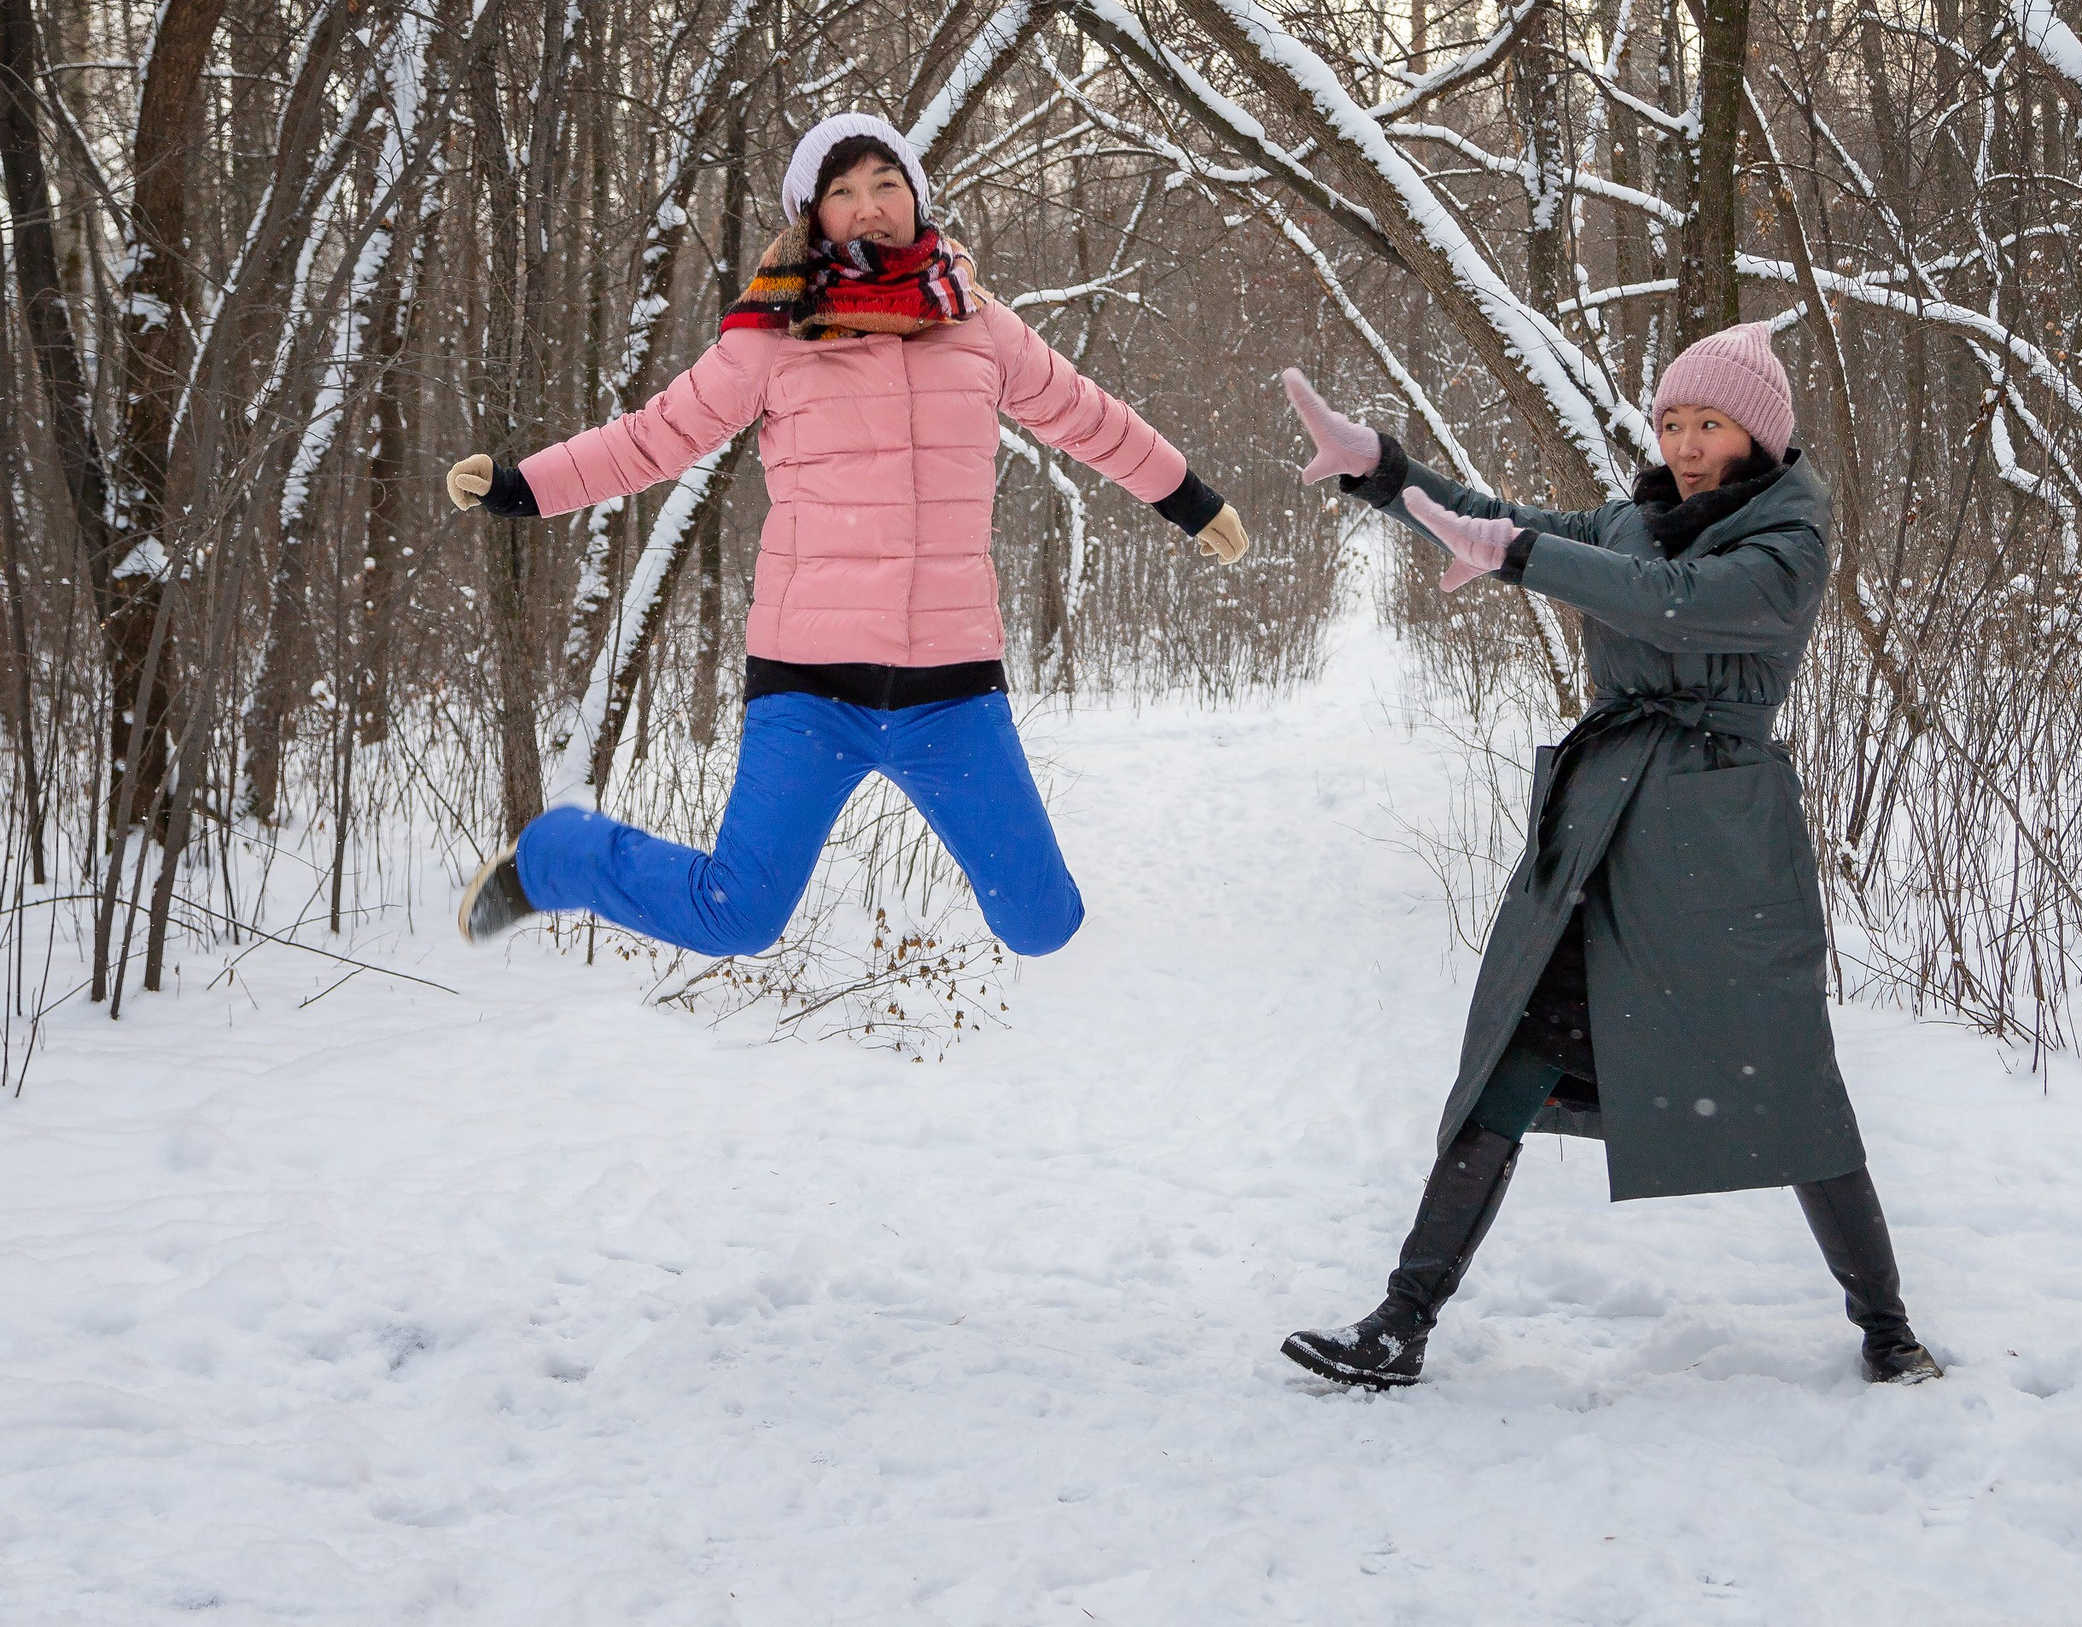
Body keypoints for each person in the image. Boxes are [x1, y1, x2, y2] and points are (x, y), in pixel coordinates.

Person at [1276, 323, 1942, 1390]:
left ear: (1758, 435)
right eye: (1671, 421)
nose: (1682, 442)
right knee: (1512, 1059)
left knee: (1788, 1085)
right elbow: (1498, 524)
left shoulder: (1791, 540)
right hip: (1604, 835)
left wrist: (1526, 559)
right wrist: (1385, 473)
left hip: (1723, 849)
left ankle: (1888, 1329)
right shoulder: (1633, 523)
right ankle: (1402, 1320)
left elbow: (1674, 608)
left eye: (1707, 423)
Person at [444, 111, 1246, 955]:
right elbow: (654, 436)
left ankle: (566, 852)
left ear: (916, 198)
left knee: (1044, 922)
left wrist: (1189, 500)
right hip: (809, 690)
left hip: (952, 692)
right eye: (844, 191)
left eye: (886, 184)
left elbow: (1088, 417)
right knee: (737, 915)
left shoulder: (978, 323)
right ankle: (561, 855)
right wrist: (523, 485)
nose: (869, 205)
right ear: (812, 216)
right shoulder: (772, 337)